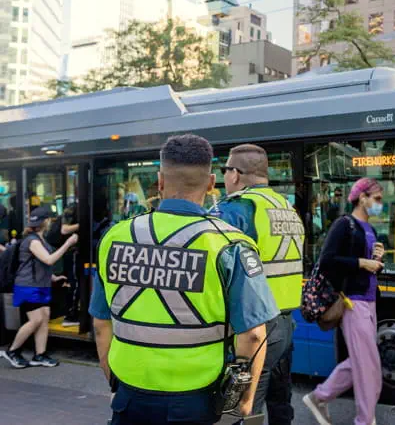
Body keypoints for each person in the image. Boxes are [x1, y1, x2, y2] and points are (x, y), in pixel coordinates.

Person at [89, 134, 279, 425]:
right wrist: (244, 400)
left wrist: (115, 381)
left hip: (130, 398)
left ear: (160, 181)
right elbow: (253, 335)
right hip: (199, 402)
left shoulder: (115, 236)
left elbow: (102, 325)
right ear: (211, 182)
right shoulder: (229, 244)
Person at [210, 144, 305, 424]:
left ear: (236, 174)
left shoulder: (237, 209)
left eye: (225, 170)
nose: (225, 177)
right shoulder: (286, 207)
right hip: (286, 326)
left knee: (237, 411)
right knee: (280, 406)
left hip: (254, 330)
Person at [303, 178, 385, 425]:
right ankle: (365, 421)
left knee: (363, 362)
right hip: (352, 301)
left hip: (369, 300)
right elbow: (327, 260)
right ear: (362, 198)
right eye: (377, 199)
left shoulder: (370, 229)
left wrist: (378, 261)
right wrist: (361, 262)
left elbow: (370, 269)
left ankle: (319, 397)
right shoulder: (344, 224)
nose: (380, 204)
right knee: (369, 368)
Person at [0, 206, 77, 369]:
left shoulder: (40, 239)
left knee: (44, 316)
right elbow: (48, 260)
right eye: (49, 219)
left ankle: (39, 355)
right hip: (28, 286)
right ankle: (13, 350)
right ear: (46, 222)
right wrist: (68, 243)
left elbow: (40, 264)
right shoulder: (32, 241)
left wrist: (53, 277)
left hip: (40, 285)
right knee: (36, 319)